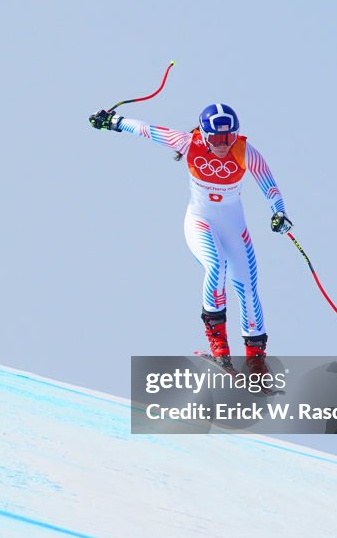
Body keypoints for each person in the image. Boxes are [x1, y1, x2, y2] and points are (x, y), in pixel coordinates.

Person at [88, 103, 292, 373]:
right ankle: (220, 348)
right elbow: (147, 130)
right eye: (217, 138)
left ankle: (256, 362)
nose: (223, 144)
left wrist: (279, 213)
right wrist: (114, 121)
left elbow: (270, 186)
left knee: (248, 289)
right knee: (215, 267)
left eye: (229, 137)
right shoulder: (187, 142)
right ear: (205, 134)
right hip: (201, 222)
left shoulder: (245, 152)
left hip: (233, 226)